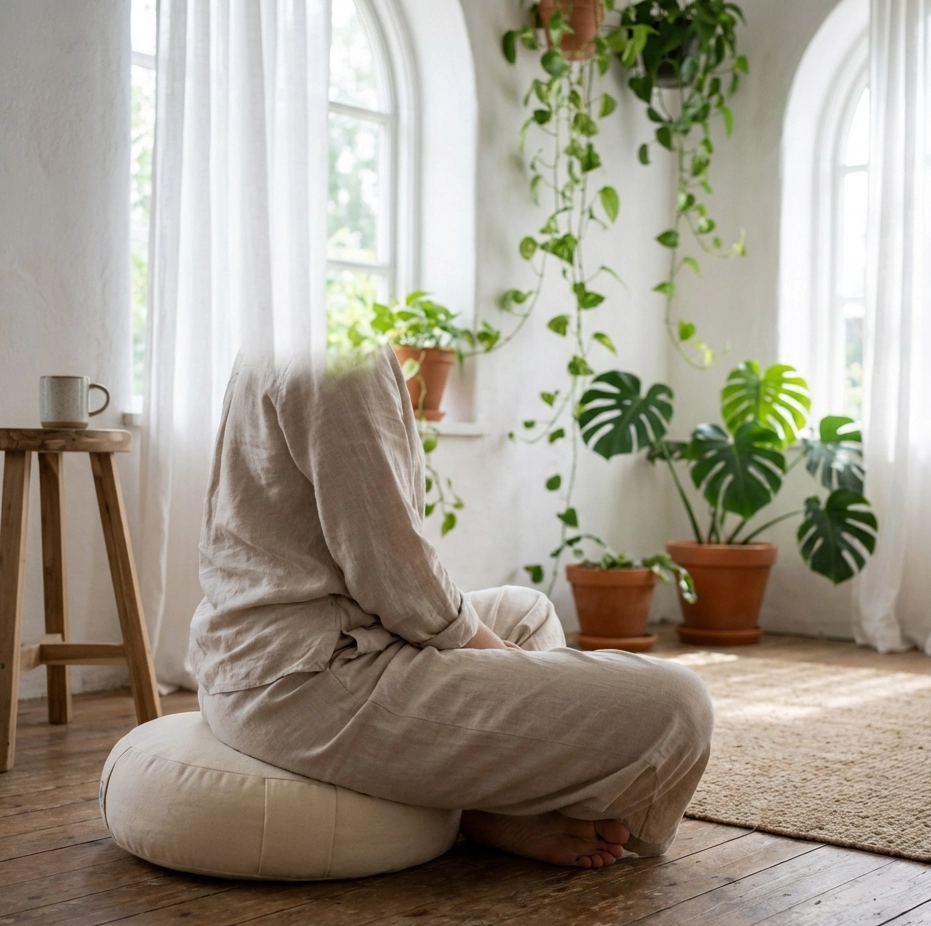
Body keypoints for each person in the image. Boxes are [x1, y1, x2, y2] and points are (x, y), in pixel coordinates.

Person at [190, 347, 714, 869]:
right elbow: (392, 570)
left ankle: (489, 811)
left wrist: (486, 642)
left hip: (260, 653)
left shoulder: (278, 324)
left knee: (527, 611)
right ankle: (532, 811)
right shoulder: (335, 352)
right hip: (304, 677)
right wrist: (490, 651)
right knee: (680, 704)